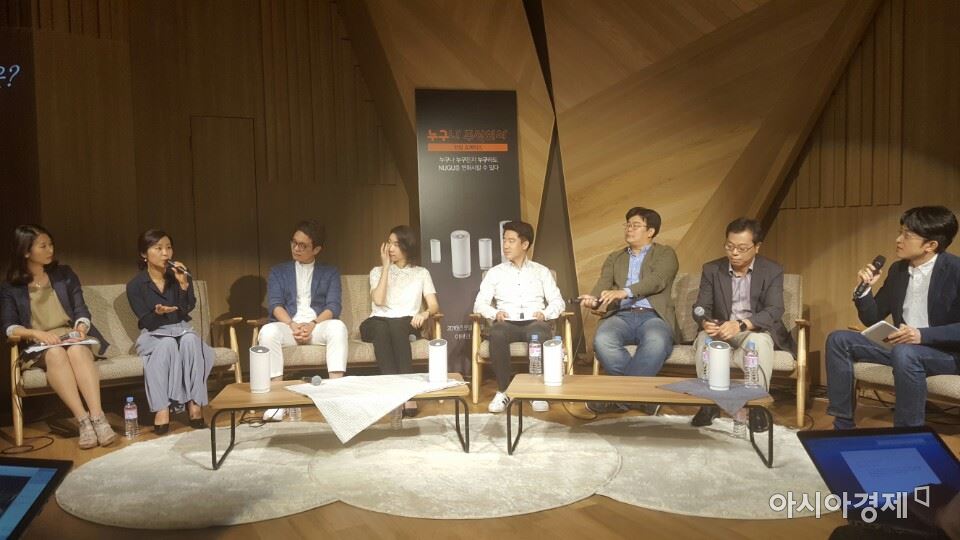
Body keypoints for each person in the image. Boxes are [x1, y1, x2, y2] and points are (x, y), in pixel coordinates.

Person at [826, 206, 960, 429]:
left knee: (905, 352)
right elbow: (872, 318)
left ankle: (907, 433)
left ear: (931, 245)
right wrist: (865, 290)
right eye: (900, 232)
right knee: (839, 340)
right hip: (901, 348)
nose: (898, 240)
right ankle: (842, 424)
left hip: (945, 354)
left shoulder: (956, 270)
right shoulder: (898, 270)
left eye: (907, 235)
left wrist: (921, 335)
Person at [0, 225, 117, 449]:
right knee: (55, 354)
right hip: (40, 346)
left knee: (77, 350)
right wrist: (36, 333)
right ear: (26, 251)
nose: (50, 250)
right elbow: (8, 326)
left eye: (51, 244)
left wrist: (81, 328)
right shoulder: (10, 287)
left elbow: (81, 310)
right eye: (43, 246)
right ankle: (83, 421)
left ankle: (98, 418)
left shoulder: (64, 275)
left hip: (71, 337)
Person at [689, 218, 794, 431]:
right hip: (721, 329)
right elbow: (701, 306)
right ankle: (709, 404)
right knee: (704, 339)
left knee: (760, 342)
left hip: (753, 329)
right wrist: (705, 321)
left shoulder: (772, 270)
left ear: (757, 247)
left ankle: (756, 406)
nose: (734, 253)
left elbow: (774, 310)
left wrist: (741, 324)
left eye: (742, 248)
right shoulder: (712, 269)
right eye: (730, 246)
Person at [578, 207, 677, 414]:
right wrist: (593, 300)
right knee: (602, 339)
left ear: (650, 231)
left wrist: (625, 292)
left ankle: (618, 398)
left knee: (657, 341)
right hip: (621, 316)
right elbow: (603, 283)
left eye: (636, 225)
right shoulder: (615, 257)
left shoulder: (665, 254)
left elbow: (657, 280)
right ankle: (642, 398)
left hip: (653, 316)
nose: (629, 229)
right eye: (628, 225)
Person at [126, 229, 214, 434]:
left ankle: (195, 404)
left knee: (191, 340)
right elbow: (145, 321)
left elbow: (187, 309)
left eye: (169, 248)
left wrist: (183, 285)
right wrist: (157, 313)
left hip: (181, 330)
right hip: (154, 334)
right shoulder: (135, 285)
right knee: (166, 345)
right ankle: (162, 408)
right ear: (144, 254)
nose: (166, 253)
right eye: (158, 248)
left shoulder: (180, 274)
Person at [258, 220, 348, 421]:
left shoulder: (330, 272)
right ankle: (277, 401)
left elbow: (333, 306)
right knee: (268, 332)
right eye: (294, 243)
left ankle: (336, 397)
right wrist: (292, 325)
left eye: (303, 245)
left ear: (316, 249)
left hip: (317, 327)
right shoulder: (279, 271)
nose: (296, 248)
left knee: (338, 327)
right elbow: (275, 305)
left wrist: (312, 324)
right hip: (289, 326)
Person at [474, 221, 565, 413]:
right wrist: (495, 313)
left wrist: (545, 314)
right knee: (497, 332)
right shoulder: (495, 273)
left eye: (511, 241)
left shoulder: (542, 271)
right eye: (504, 240)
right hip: (506, 323)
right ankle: (503, 391)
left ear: (524, 244)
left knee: (540, 333)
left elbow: (558, 301)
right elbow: (480, 303)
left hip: (535, 321)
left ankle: (536, 392)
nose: (505, 245)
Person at [360, 225, 439, 417]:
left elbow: (434, 305)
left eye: (396, 244)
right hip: (376, 322)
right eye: (389, 243)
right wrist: (386, 267)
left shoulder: (421, 273)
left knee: (396, 326)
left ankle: (405, 395)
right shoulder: (377, 271)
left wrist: (425, 314)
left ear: (407, 246)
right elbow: (379, 300)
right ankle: (397, 395)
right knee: (382, 328)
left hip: (405, 323)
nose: (391, 248)